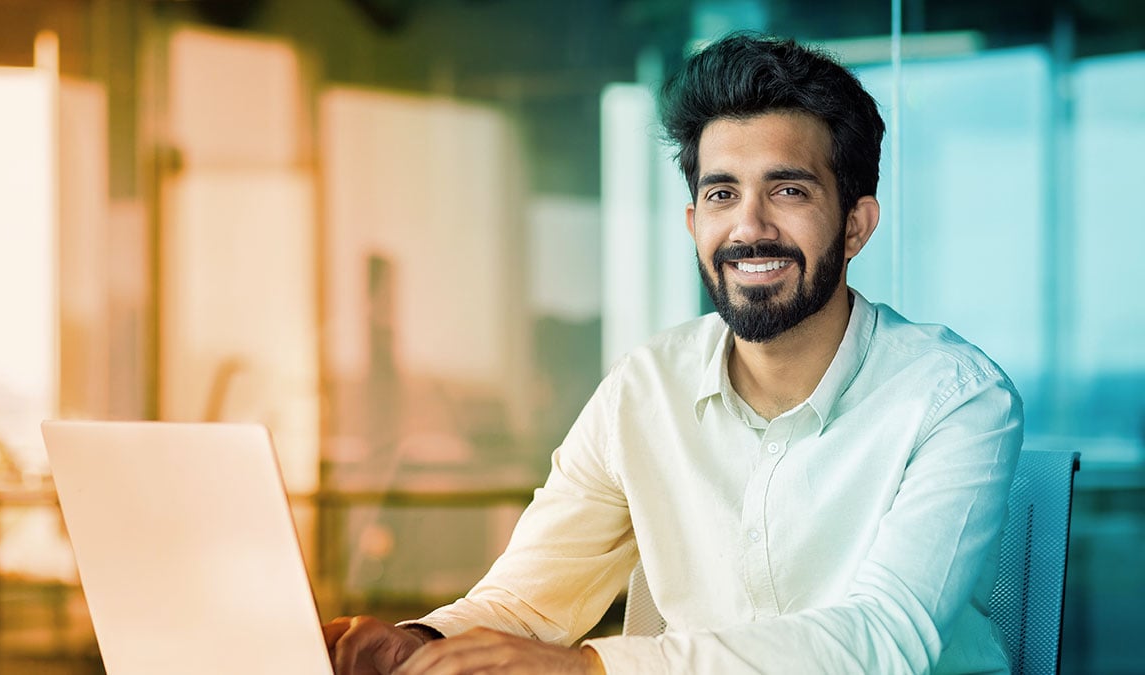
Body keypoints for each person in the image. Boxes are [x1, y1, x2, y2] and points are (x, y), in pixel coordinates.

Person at [323, 31, 1023, 674]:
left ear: (855, 225)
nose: (749, 226)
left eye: (788, 190)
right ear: (695, 224)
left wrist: (593, 667)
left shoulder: (955, 396)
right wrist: (420, 640)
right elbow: (531, 600)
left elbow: (880, 639)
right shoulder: (645, 387)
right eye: (722, 193)